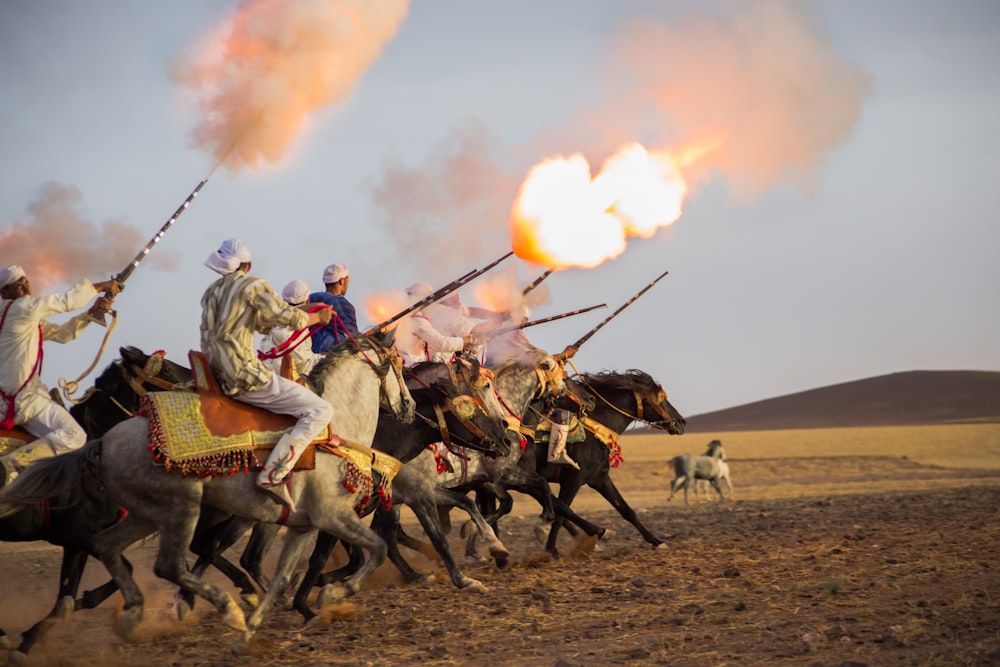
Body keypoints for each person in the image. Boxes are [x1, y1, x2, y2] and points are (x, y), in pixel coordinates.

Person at [200, 239, 334, 510]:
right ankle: (274, 474)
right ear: (248, 265)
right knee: (321, 411)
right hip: (245, 376)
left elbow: (266, 323)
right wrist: (316, 319)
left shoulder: (211, 292)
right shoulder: (252, 285)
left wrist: (307, 311)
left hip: (217, 375)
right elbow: (292, 321)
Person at [0, 265, 121, 484]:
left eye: (26, 281)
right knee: (75, 436)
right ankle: (11, 464)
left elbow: (62, 334)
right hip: (24, 402)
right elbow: (67, 301)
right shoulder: (22, 309)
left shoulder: (20, 317)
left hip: (13, 402)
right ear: (5, 293)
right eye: (19, 284)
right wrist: (103, 285)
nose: (26, 286)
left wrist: (91, 313)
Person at [395, 283, 479, 366]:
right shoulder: (417, 319)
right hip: (411, 365)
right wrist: (467, 340)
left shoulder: (404, 313)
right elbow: (439, 343)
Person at [260, 279, 321, 380]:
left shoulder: (272, 321)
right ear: (308, 300)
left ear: (284, 301)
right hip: (286, 384)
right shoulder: (294, 327)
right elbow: (305, 366)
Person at [309, 263, 358, 353]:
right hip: (341, 353)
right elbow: (352, 335)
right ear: (342, 281)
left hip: (315, 354)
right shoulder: (347, 306)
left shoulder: (312, 299)